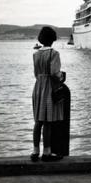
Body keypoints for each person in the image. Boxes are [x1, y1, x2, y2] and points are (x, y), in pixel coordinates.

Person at [31, 26, 65, 162]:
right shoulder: (54, 54)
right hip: (49, 88)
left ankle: (35, 151)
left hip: (38, 87)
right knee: (48, 122)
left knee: (38, 121)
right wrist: (62, 77)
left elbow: (35, 74)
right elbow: (54, 73)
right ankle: (47, 153)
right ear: (53, 40)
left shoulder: (36, 54)